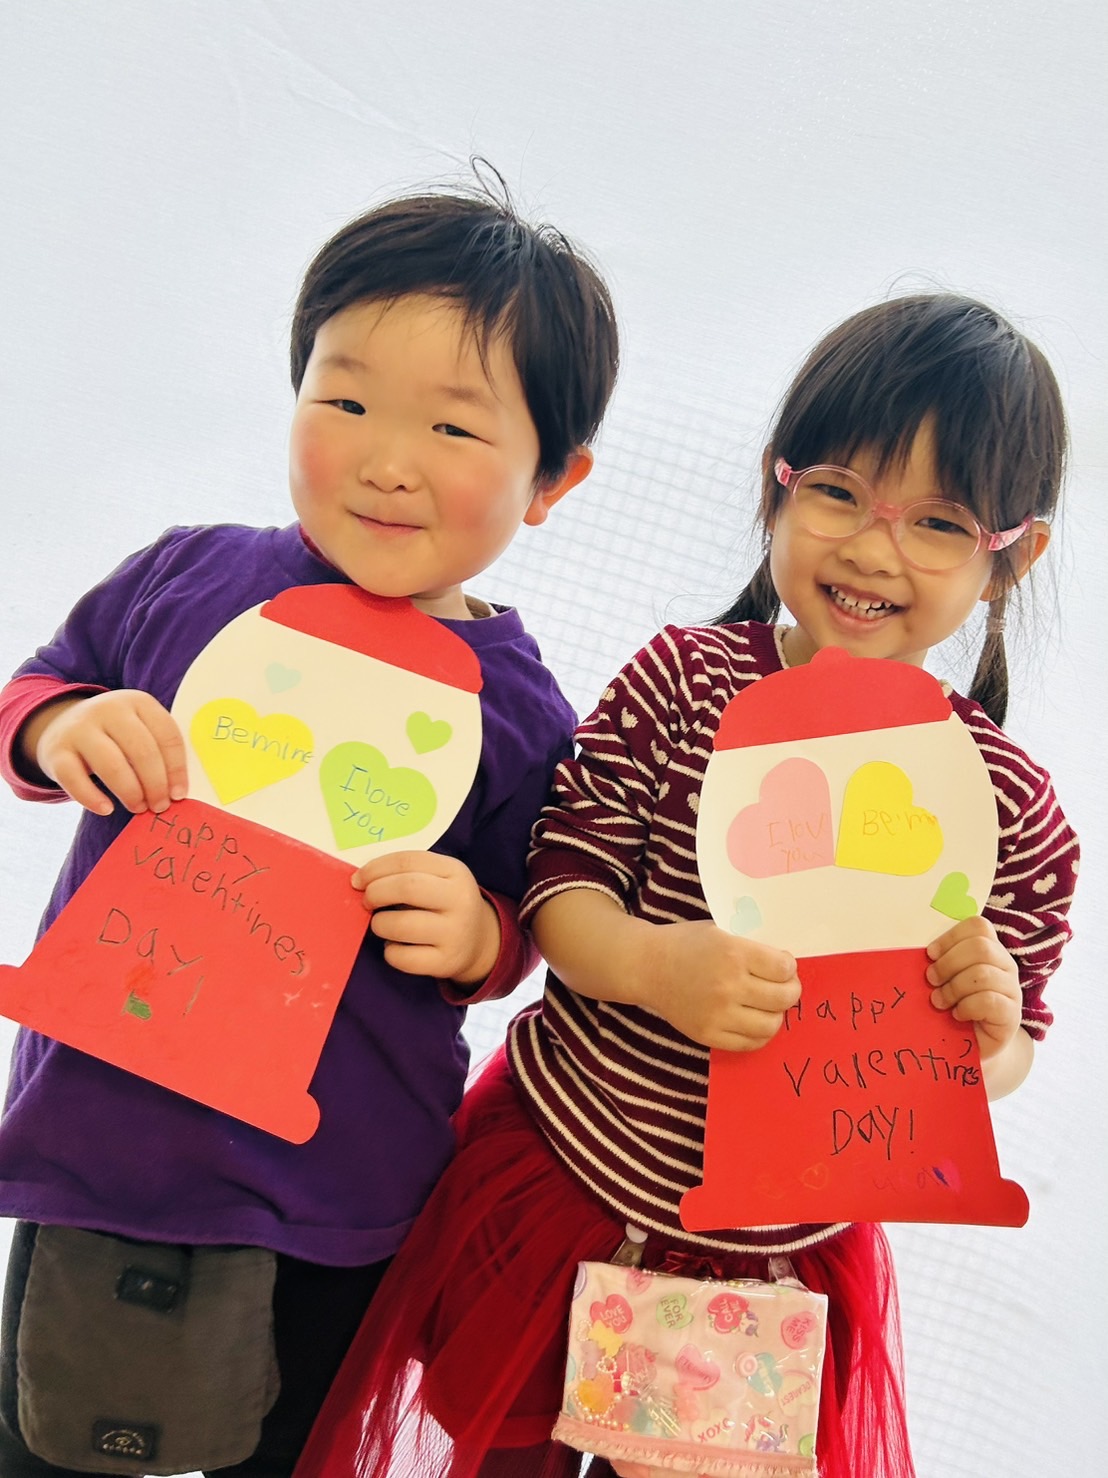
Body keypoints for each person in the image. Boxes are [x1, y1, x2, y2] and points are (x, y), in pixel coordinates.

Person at [293, 293, 1079, 1478]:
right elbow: (559, 886)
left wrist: (986, 1031)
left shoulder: (1008, 803)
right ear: (776, 487)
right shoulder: (682, 681)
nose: (873, 551)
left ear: (1009, 554)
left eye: (937, 521)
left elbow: (1002, 1057)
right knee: (492, 1447)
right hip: (562, 1181)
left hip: (765, 1266)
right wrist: (658, 964)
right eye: (837, 493)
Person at [0, 180, 619, 1476]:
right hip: (103, 1147)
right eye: (345, 402)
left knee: (292, 1448)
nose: (388, 458)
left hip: (336, 1185)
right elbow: (38, 686)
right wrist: (61, 727)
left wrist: (478, 936)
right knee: (50, 1439)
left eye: (452, 425)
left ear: (554, 479)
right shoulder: (190, 573)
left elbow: (531, 919)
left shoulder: (521, 708)